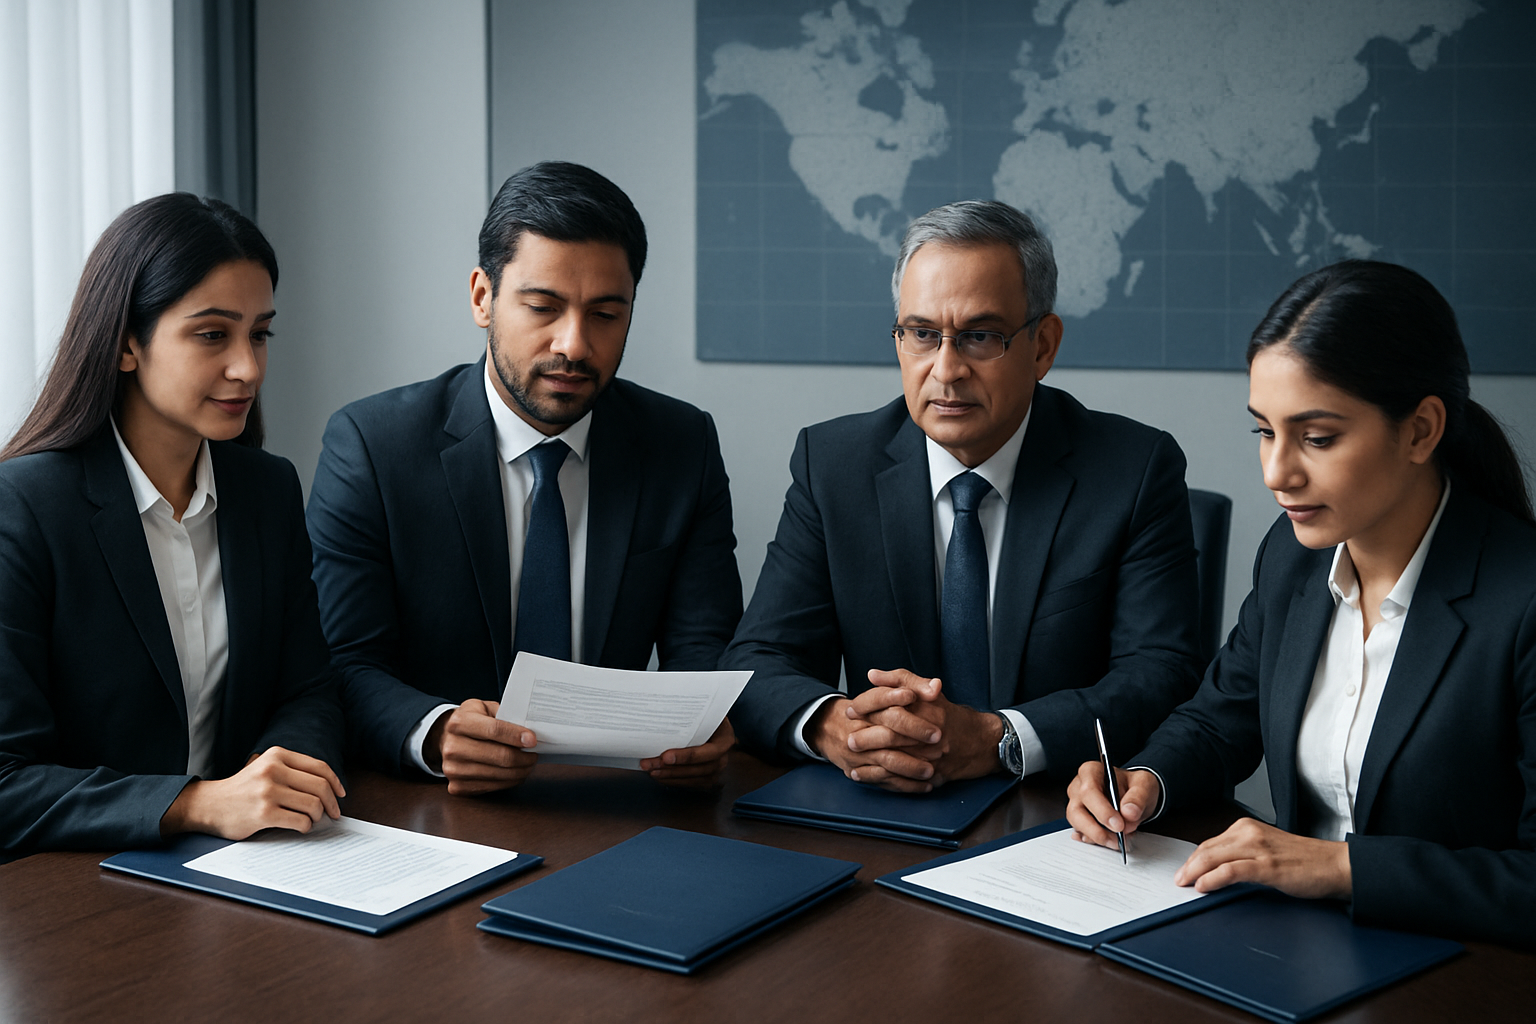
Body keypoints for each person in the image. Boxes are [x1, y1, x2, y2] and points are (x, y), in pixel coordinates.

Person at [1066, 260, 1536, 946]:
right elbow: (1217, 721)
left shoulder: (1520, 603)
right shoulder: (1294, 558)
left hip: (1459, 975)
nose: (1276, 473)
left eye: (1317, 438)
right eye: (1265, 430)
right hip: (1294, 950)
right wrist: (1143, 782)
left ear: (1421, 430)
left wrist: (1342, 868)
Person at [724, 200, 1204, 791]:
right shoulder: (833, 465)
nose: (946, 370)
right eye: (923, 334)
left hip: (1062, 814)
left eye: (980, 336)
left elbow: (1162, 675)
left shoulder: (1133, 469)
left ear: (1043, 345)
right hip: (882, 809)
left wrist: (998, 738)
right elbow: (757, 660)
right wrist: (836, 726)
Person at [307, 161, 742, 795]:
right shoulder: (374, 446)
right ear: (483, 297)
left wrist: (706, 723)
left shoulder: (681, 444)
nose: (573, 344)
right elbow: (342, 662)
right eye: (543, 307)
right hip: (431, 808)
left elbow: (705, 647)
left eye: (605, 315)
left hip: (618, 802)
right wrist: (432, 730)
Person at [0, 194, 346, 857]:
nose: (248, 367)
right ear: (127, 343)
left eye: (260, 333)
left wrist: (280, 782)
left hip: (250, 872)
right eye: (213, 334)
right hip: (85, 900)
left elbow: (308, 690)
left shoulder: (267, 491)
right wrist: (198, 804)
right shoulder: (24, 509)